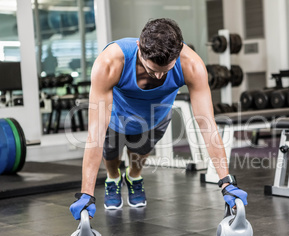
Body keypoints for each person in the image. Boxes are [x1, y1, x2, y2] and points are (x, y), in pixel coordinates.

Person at [69, 18, 247, 220]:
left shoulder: (192, 65)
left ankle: (134, 177)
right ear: (139, 46)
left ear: (178, 51)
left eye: (166, 71)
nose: (159, 77)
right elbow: (95, 132)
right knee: (111, 157)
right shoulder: (110, 62)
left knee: (139, 155)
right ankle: (113, 178)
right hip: (115, 118)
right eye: (151, 69)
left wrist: (226, 182)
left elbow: (207, 124)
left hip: (155, 119)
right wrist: (87, 193)